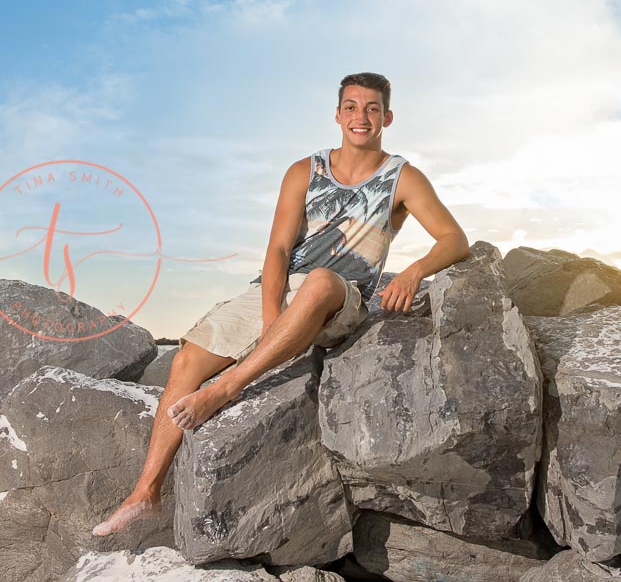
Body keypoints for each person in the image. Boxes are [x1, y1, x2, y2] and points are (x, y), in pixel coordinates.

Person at [92, 72, 470, 536]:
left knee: (318, 281)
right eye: (351, 107)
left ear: (386, 117)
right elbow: (276, 250)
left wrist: (414, 271)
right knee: (187, 358)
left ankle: (226, 388)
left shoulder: (402, 177)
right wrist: (272, 315)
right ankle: (145, 492)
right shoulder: (302, 171)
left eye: (372, 108)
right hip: (280, 288)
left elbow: (455, 240)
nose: (361, 117)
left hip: (338, 295)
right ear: (337, 115)